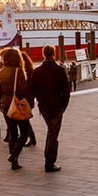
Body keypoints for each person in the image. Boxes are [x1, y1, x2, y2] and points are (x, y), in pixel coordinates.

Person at [31, 44, 71, 172]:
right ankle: (49, 163)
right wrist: (63, 106)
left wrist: (40, 100)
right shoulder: (59, 70)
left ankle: (48, 157)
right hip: (56, 106)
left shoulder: (36, 71)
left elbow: (33, 90)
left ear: (43, 54)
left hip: (44, 106)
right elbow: (66, 90)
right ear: (54, 54)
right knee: (53, 134)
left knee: (50, 130)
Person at [0, 48, 32, 170]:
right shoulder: (18, 70)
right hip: (16, 104)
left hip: (5, 105)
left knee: (12, 133)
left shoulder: (0, 71)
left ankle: (14, 162)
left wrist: (3, 100)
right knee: (25, 132)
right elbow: (23, 89)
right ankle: (14, 155)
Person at [20, 50, 37, 147]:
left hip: (24, 99)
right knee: (25, 119)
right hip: (30, 98)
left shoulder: (22, 71)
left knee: (24, 119)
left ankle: (30, 137)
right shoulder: (31, 70)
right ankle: (31, 137)